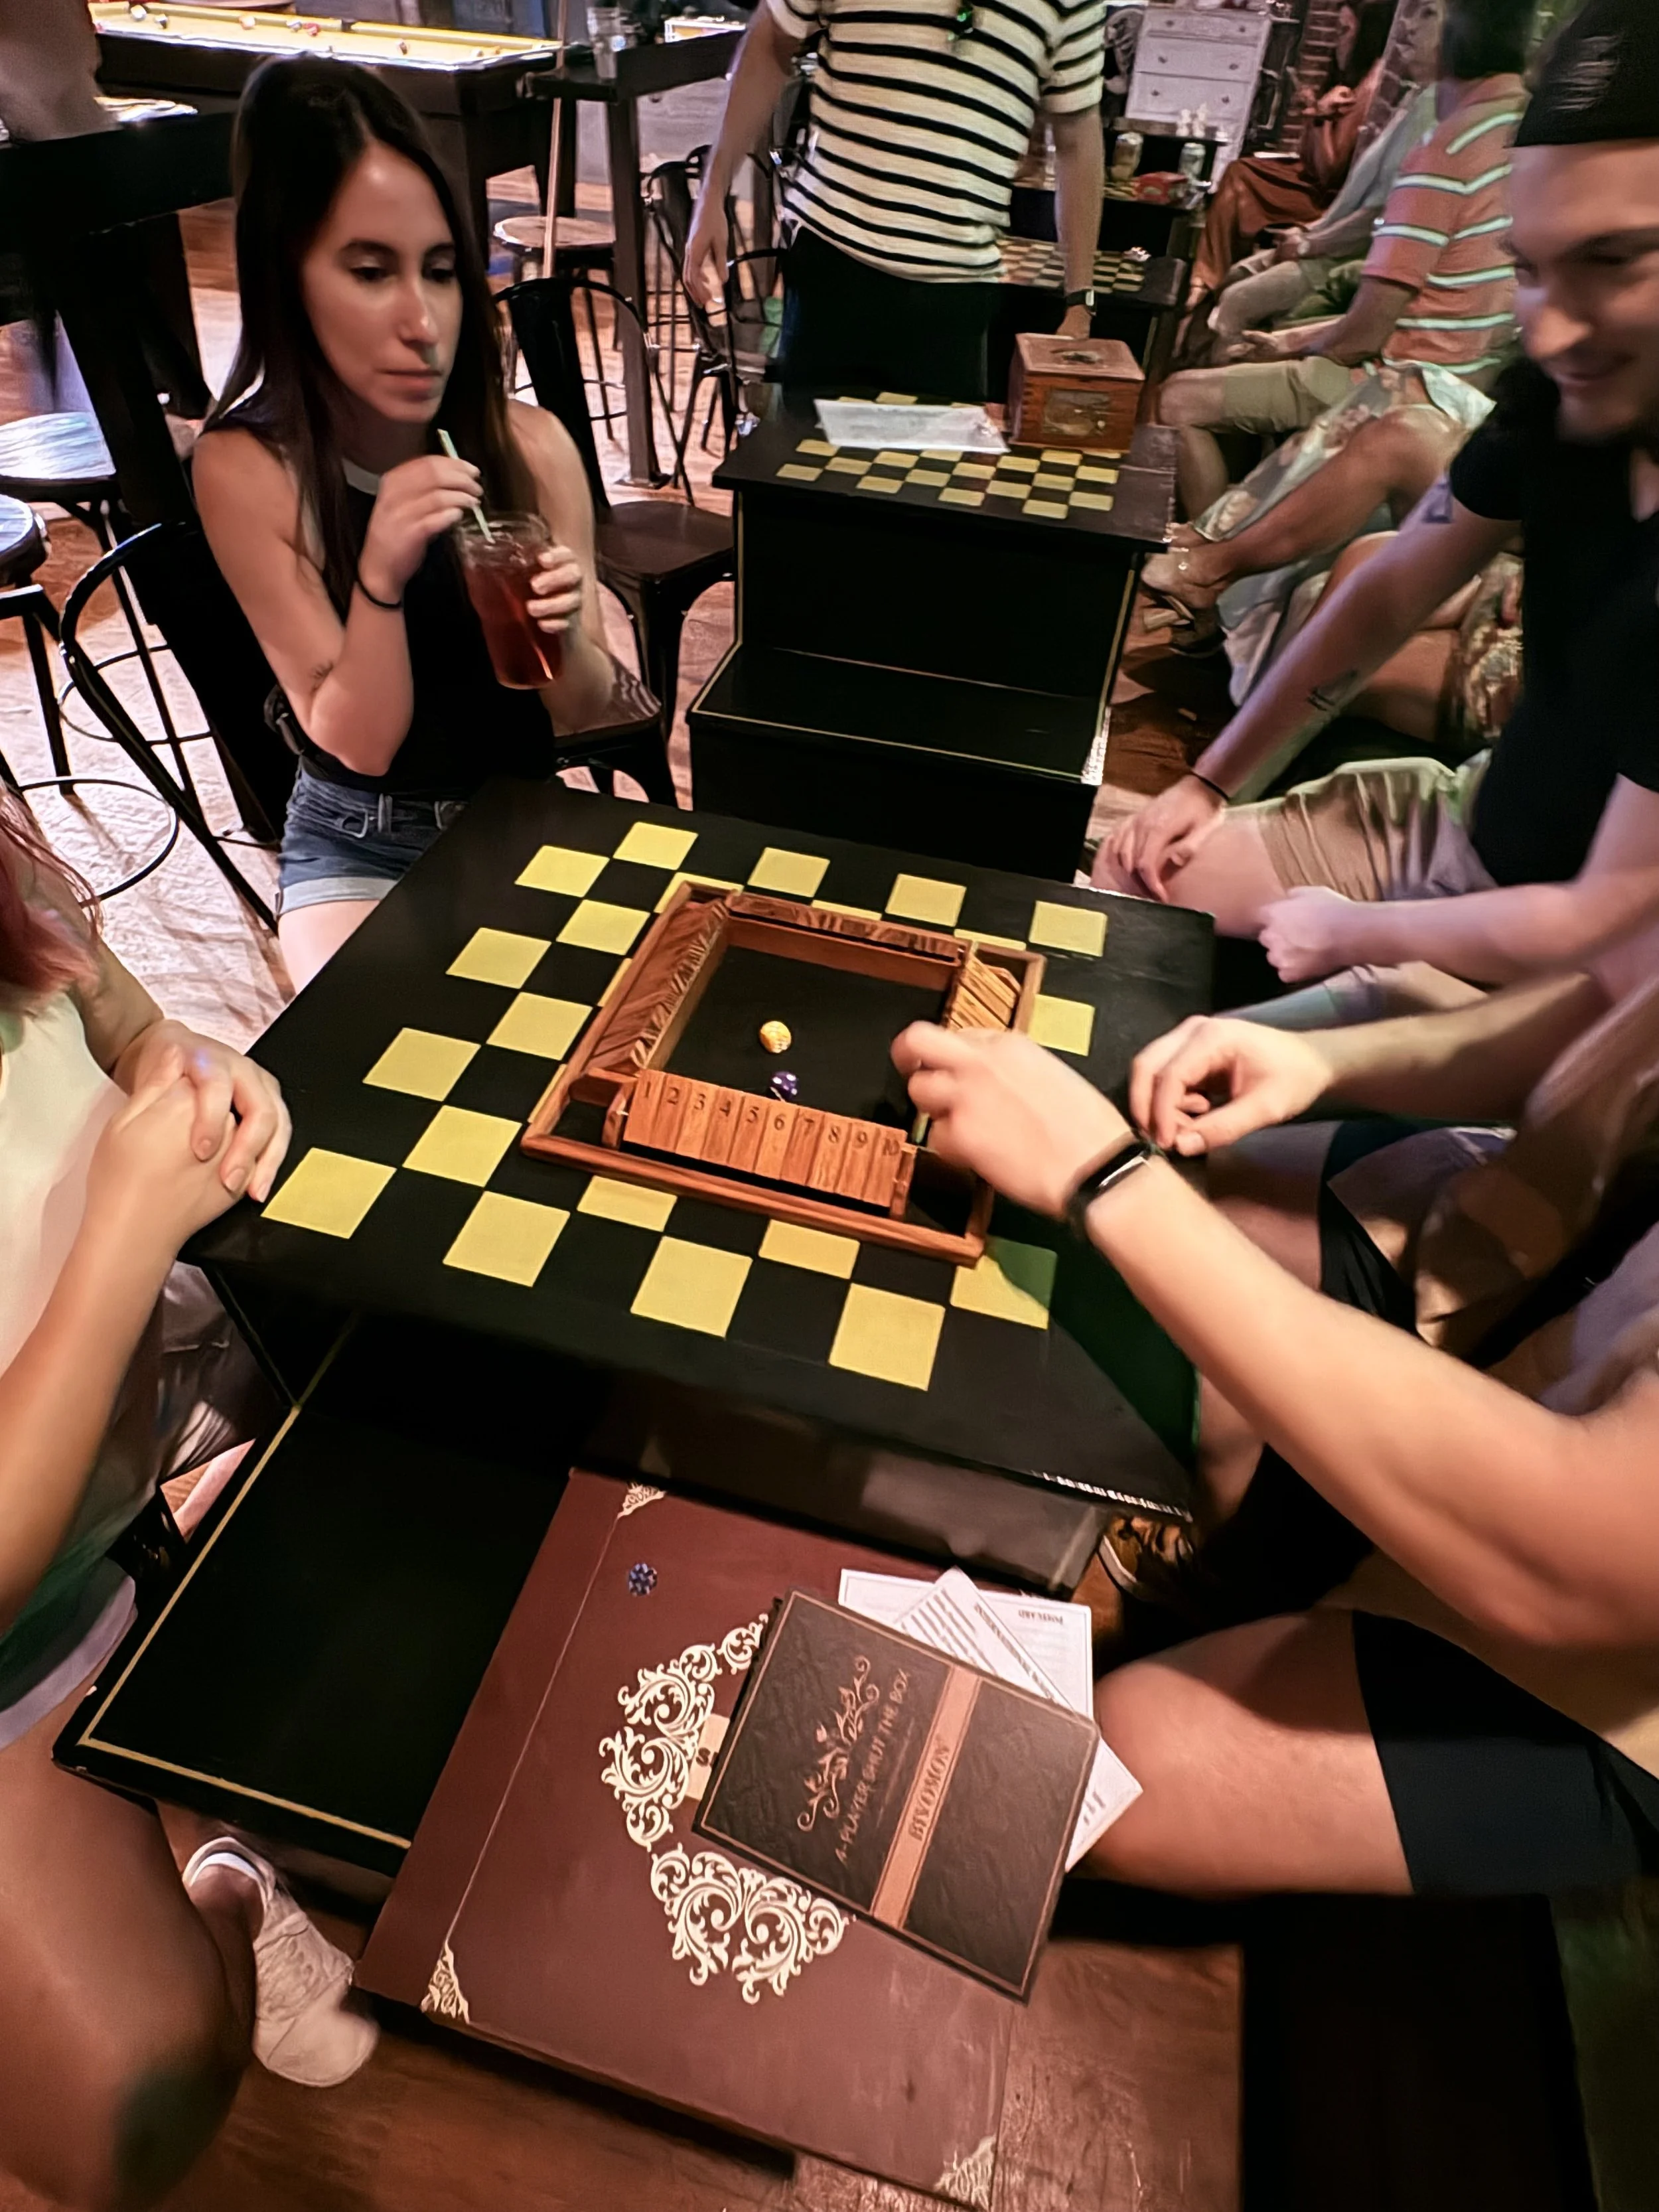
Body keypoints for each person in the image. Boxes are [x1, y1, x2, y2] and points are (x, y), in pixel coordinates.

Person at [894, 901, 1659, 1896]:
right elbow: (1613, 1007)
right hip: (1569, 1268)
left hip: (1612, 1637)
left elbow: (1569, 1552)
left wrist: (1107, 1178)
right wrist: (1331, 1063)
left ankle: (1256, 1543)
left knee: (1111, 1772)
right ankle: (1249, 1540)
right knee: (1193, 1279)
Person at [1098, 0, 1659, 1016]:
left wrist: (1357, 932)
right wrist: (1210, 785)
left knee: (1200, 1116)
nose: (1555, 327)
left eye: (1615, 262)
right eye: (1529, 270)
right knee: (1131, 879)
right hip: (1460, 826)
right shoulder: (1561, 410)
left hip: (1572, 977)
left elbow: (1605, 918)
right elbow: (1394, 583)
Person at [0, 794, 376, 2210]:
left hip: (135, 1414)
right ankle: (211, 1857)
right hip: (17, 1623)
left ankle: (194, 1821)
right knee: (126, 2110)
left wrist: (176, 1056)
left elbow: (116, 1010)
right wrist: (118, 1227)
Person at [195, 59, 643, 993]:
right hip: (360, 838)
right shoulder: (247, 467)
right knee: (360, 1069)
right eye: (369, 271)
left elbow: (585, 709)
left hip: (521, 811)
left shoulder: (530, 444)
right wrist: (382, 577)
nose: (422, 321)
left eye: (441, 271)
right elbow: (360, 744)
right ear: (289, 278)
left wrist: (565, 635)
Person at [1157, 0, 1531, 522]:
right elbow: (1421, 305)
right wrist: (1291, 340)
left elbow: (1365, 337)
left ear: (1479, 23)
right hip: (1465, 377)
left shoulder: (1448, 149)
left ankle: (1207, 554)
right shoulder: (1523, 128)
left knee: (1176, 399)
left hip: (1409, 386)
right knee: (1252, 323)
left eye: (1426, 13)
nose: (1405, 32)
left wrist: (1291, 340)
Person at [680, 0, 1107, 401]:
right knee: (806, 469)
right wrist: (712, 192)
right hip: (832, 265)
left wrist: (1079, 300)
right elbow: (771, 42)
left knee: (935, 476)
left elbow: (1078, 135)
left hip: (958, 290)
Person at [1186, 0, 1394, 307]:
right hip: (1311, 179)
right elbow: (1312, 157)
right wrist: (1314, 110)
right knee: (1243, 172)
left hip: (1328, 198)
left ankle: (1206, 282)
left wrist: (1319, 116)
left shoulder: (1370, 86)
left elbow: (1330, 172)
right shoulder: (1353, 77)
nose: (1338, 39)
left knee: (1241, 178)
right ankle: (1208, 279)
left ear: (1367, 35)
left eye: (1344, 31)